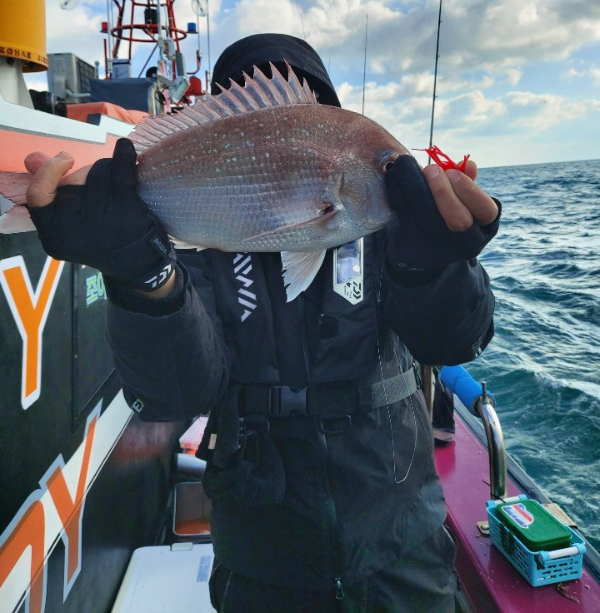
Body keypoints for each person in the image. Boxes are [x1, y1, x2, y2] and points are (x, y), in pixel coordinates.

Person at [25, 34, 500, 613]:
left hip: (402, 542)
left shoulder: (400, 228)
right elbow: (175, 394)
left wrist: (436, 267)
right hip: (261, 553)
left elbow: (459, 339)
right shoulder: (191, 244)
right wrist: (143, 275)